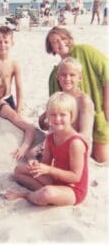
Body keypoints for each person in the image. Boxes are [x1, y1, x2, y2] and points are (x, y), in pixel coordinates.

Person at [4, 92, 89, 206]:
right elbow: (45, 164)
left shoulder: (75, 143)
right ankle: (41, 192)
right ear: (48, 116)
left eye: (62, 115)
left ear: (71, 116)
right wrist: (36, 165)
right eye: (53, 114)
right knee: (18, 171)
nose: (57, 119)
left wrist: (48, 170)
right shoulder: (50, 138)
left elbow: (75, 177)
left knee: (47, 194)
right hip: (56, 180)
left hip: (73, 190)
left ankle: (26, 195)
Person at [45, 26, 109, 163]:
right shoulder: (54, 75)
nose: (61, 43)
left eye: (63, 39)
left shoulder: (85, 51)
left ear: (69, 39)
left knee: (102, 158)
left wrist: (106, 106)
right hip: (73, 124)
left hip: (98, 114)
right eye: (55, 42)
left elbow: (107, 74)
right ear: (51, 48)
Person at [0, 73, 37, 161]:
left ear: (1, 90)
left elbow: (30, 129)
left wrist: (23, 148)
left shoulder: (4, 109)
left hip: (9, 148)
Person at [39, 57, 94, 150]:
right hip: (56, 143)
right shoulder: (58, 98)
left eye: (72, 75)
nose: (67, 78)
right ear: (57, 76)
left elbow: (86, 137)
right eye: (63, 75)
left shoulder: (83, 101)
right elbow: (42, 124)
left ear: (80, 77)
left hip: (75, 148)